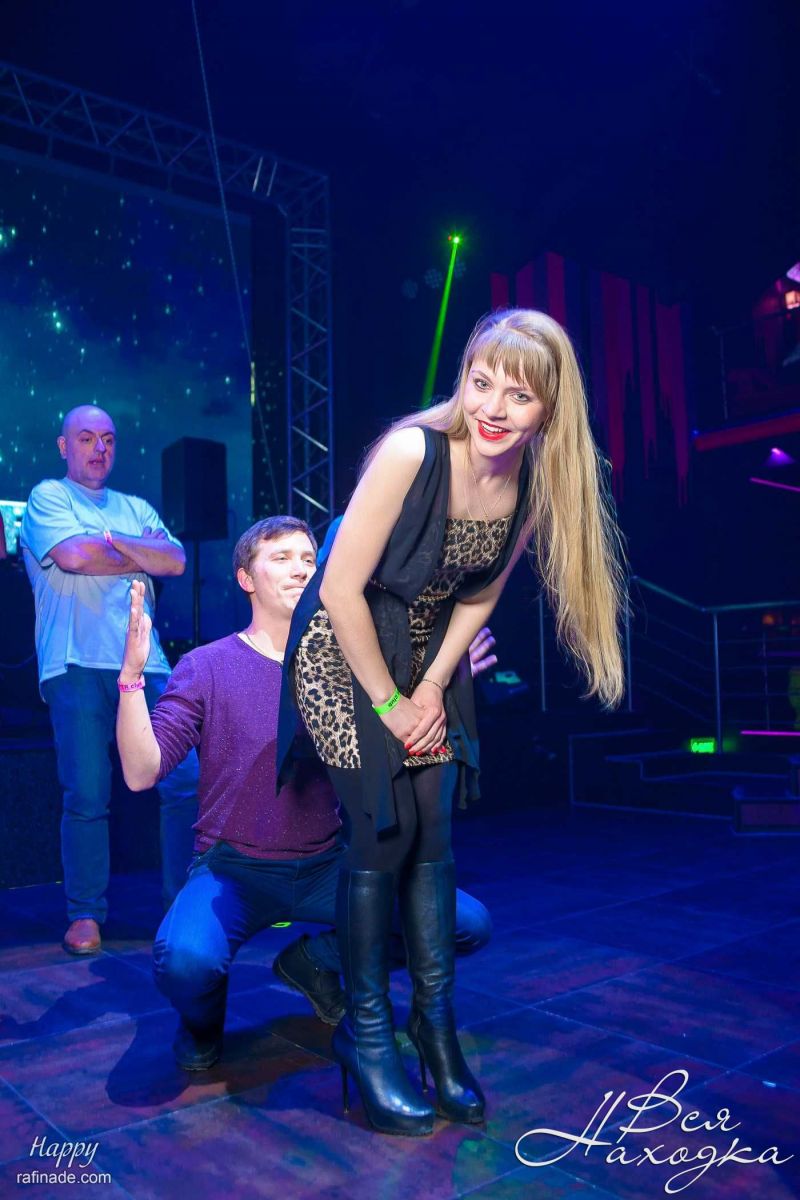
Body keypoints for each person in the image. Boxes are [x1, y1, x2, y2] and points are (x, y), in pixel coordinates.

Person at [281, 308, 625, 1136]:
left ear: (549, 409)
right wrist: (391, 703)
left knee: (433, 831)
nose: (494, 408)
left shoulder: (532, 484)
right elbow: (339, 590)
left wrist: (434, 684)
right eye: (481, 383)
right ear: (463, 379)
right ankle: (367, 1037)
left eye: (519, 395)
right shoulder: (413, 451)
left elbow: (480, 593)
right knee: (385, 831)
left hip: (427, 654)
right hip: (342, 649)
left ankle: (434, 1032)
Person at [115, 516, 493, 1070]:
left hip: (328, 865)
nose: (300, 570)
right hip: (235, 869)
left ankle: (316, 962)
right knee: (186, 962)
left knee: (466, 924)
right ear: (246, 578)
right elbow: (141, 772)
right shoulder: (208, 666)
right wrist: (131, 678)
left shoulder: (353, 666)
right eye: (281, 558)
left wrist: (443, 687)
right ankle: (202, 1022)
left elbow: (400, 739)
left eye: (309, 560)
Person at [20, 405, 199, 956]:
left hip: (147, 664)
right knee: (87, 792)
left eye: (108, 439)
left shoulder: (135, 506)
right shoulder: (48, 497)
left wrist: (110, 540)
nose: (99, 448)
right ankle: (85, 914)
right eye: (86, 438)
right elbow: (74, 556)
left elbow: (175, 560)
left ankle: (183, 908)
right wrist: (136, 550)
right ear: (64, 446)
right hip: (74, 662)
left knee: (183, 779)